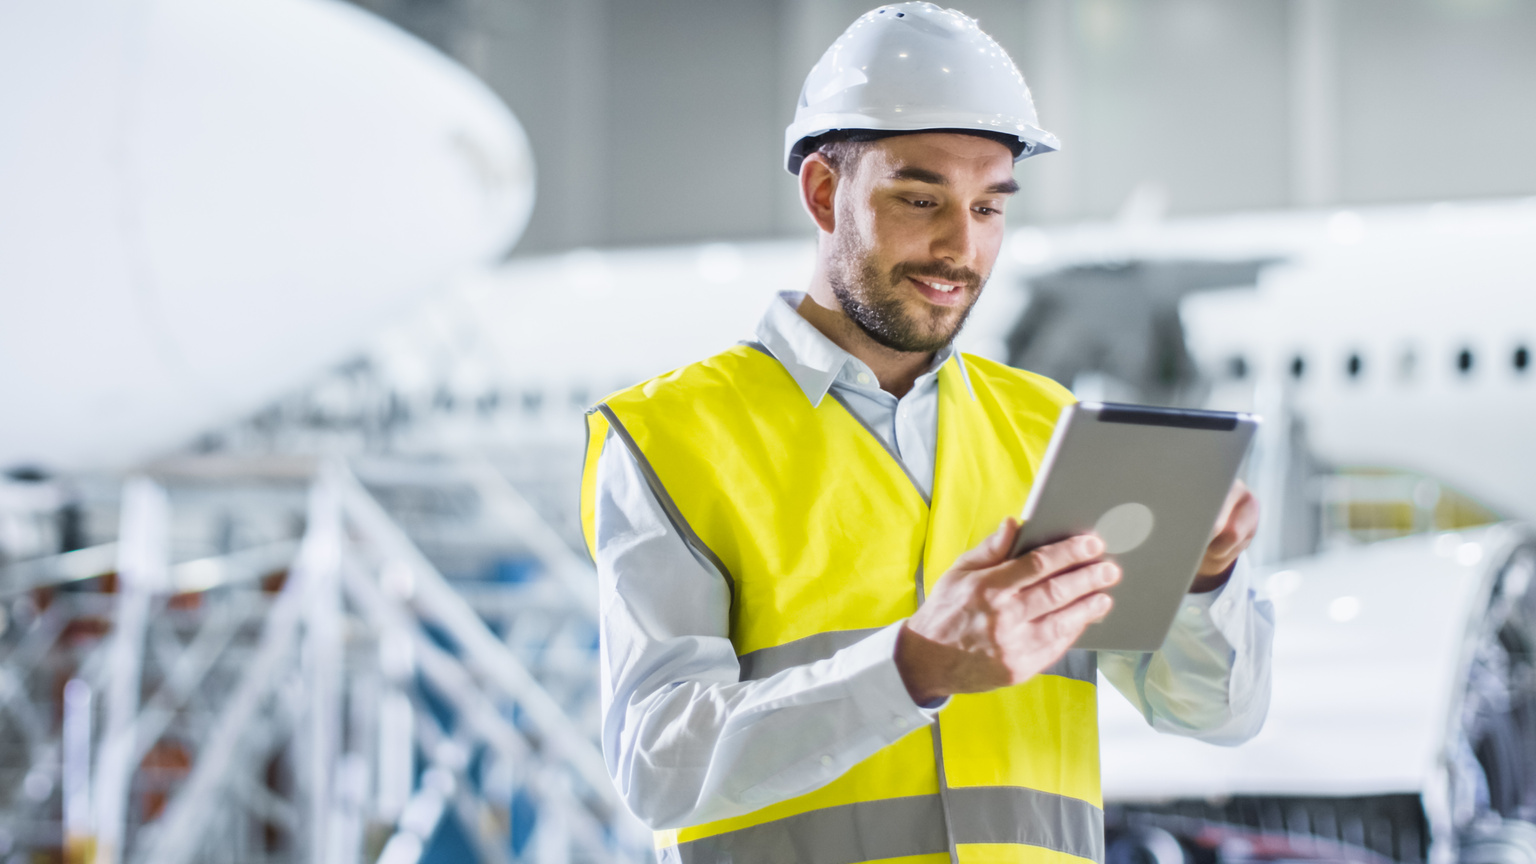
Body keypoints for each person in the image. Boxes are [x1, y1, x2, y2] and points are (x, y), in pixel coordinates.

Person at [579, 4, 1273, 862]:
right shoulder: (671, 439)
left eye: (989, 208)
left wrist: (1206, 580)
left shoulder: (1050, 430)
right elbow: (658, 764)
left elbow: (1215, 711)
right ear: (825, 193)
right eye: (921, 199)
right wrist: (910, 668)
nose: (961, 248)